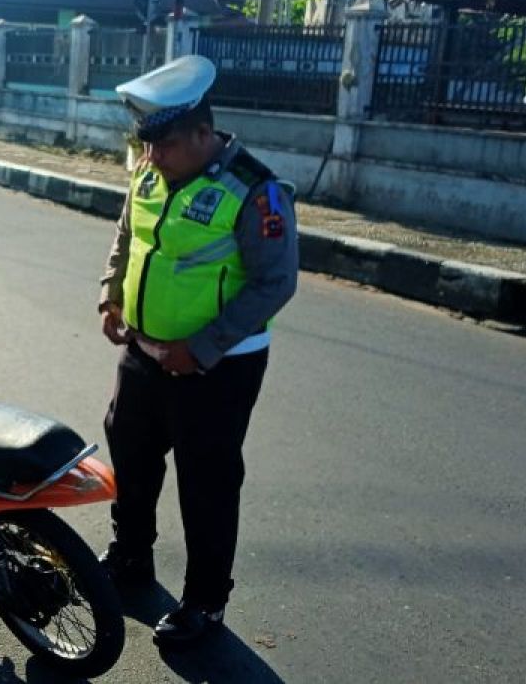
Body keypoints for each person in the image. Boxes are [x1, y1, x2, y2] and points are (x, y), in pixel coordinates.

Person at [97, 55, 299, 649]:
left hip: (219, 369)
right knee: (130, 455)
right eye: (148, 145)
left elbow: (275, 282)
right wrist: (112, 295)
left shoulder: (254, 191)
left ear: (204, 135)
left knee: (206, 483)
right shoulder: (149, 171)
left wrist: (203, 348)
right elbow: (128, 234)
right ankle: (131, 558)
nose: (153, 157)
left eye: (166, 145)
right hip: (143, 350)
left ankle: (205, 602)